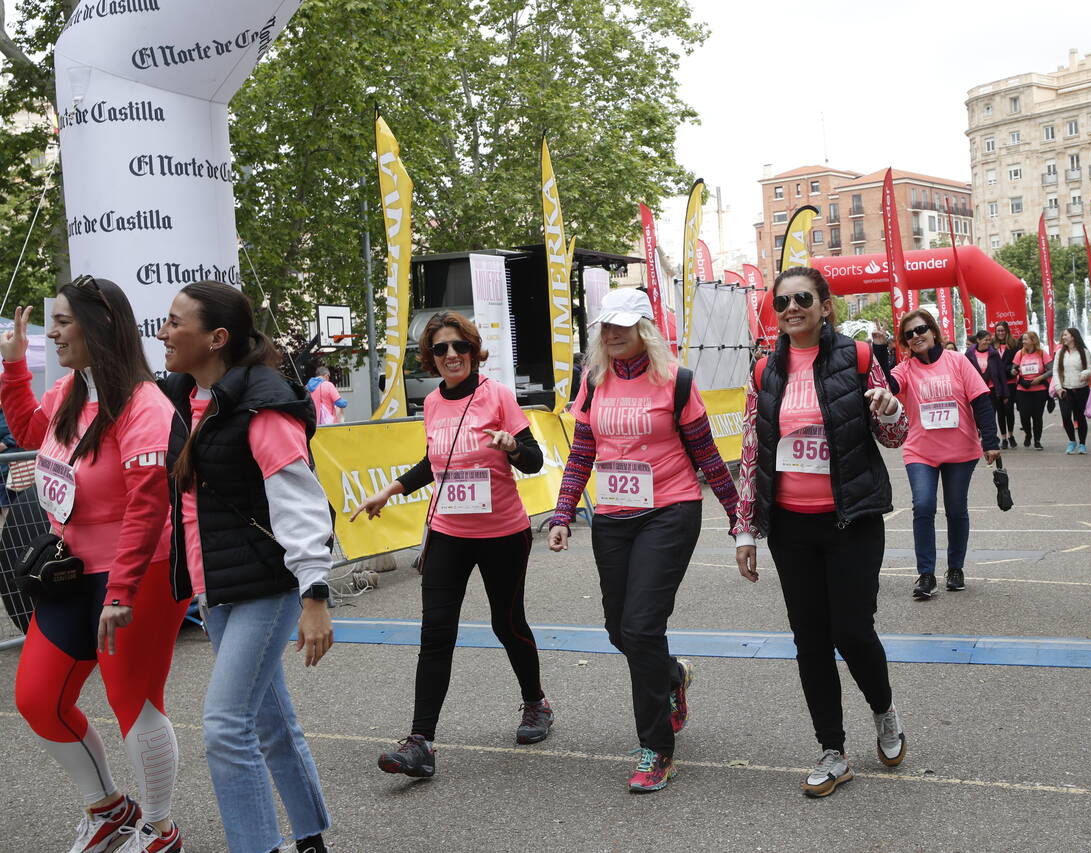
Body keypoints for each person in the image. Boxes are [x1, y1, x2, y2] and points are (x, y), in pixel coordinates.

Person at [2, 279, 188, 853]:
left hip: (136, 575)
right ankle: (109, 809)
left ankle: (159, 829)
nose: (51, 332)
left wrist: (121, 591)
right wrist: (13, 372)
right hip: (68, 569)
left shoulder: (145, 403)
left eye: (62, 321)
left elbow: (149, 505)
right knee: (37, 699)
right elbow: (34, 435)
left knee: (134, 702)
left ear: (100, 326)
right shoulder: (69, 390)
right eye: (50, 321)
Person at [157, 281, 334, 853]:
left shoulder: (262, 404)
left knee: (225, 725)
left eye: (175, 321)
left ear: (217, 337)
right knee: (270, 723)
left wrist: (315, 594)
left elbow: (301, 503)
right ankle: (311, 836)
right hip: (220, 586)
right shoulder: (184, 396)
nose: (163, 331)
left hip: (267, 585)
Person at [547, 287, 737, 793]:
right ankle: (672, 677)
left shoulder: (676, 382)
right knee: (619, 630)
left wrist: (739, 517)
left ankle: (656, 749)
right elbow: (582, 453)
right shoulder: (593, 381)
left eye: (621, 325)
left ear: (644, 329)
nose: (611, 334)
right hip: (612, 515)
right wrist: (563, 513)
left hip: (670, 511)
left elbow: (708, 456)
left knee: (642, 626)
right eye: (605, 326)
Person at [732, 267, 908, 798]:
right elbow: (751, 450)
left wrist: (891, 406)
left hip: (851, 519)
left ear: (824, 305)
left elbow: (896, 436)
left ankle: (883, 709)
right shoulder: (764, 371)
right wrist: (745, 531)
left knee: (851, 630)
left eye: (802, 299)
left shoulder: (857, 358)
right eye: (781, 302)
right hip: (790, 525)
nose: (791, 309)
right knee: (809, 639)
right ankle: (832, 750)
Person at [352, 311, 551, 780]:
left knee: (508, 623)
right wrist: (391, 489)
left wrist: (512, 447)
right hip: (448, 533)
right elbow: (432, 463)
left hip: (502, 533)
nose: (451, 355)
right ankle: (421, 742)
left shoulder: (498, 396)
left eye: (459, 346)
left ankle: (536, 703)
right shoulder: (435, 405)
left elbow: (534, 460)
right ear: (431, 358)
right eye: (440, 349)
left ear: (473, 348)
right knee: (435, 634)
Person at [891, 309, 1001, 600]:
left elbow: (981, 400)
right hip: (920, 451)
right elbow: (886, 387)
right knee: (923, 506)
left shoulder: (957, 361)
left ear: (933, 330)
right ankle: (926, 575)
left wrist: (990, 440)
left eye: (921, 329)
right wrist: (879, 348)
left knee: (956, 510)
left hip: (960, 450)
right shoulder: (905, 369)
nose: (916, 336)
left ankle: (955, 569)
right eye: (909, 334)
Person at [1053, 328, 1091, 454]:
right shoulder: (1060, 352)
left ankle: (1082, 443)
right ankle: (1072, 441)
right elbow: (1056, 371)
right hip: (1065, 389)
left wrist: (1085, 373)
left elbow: (1090, 369)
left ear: (1073, 337)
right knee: (1065, 416)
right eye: (1063, 335)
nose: (1063, 337)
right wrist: (1058, 387)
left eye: (1065, 335)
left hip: (1081, 389)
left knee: (1080, 417)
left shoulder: (1084, 352)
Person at [1012, 330, 1051, 450]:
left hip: (1039, 389)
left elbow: (1051, 370)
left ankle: (1037, 440)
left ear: (1033, 341)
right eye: (1023, 339)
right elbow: (1013, 368)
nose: (1023, 342)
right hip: (1023, 389)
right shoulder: (1020, 353)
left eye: (1026, 339)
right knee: (1024, 415)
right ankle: (1028, 434)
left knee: (1037, 416)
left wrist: (1040, 378)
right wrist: (1014, 371)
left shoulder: (1042, 353)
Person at [965, 331, 1008, 427]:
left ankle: (991, 439)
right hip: (977, 391)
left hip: (992, 390)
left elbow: (1001, 374)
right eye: (985, 340)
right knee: (978, 417)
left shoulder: (994, 354)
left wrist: (1005, 394)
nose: (988, 342)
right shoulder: (969, 354)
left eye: (989, 340)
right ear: (978, 340)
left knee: (990, 417)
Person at [990, 321, 1018, 449]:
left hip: (1010, 382)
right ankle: (1004, 437)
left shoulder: (1013, 345)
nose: (1000, 333)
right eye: (998, 331)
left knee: (1009, 411)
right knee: (1000, 412)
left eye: (1002, 330)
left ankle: (1011, 435)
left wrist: (1008, 369)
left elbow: (1016, 363)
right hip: (997, 384)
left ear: (1007, 331)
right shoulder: (992, 345)